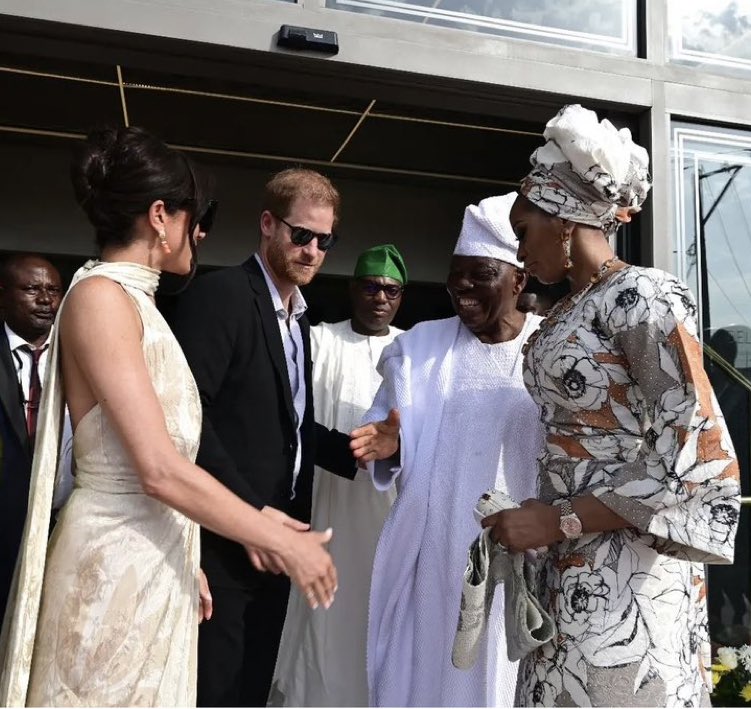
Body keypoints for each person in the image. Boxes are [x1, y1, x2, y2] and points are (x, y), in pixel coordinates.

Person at [0, 127, 337, 707]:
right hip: (112, 570)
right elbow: (156, 468)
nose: (199, 232)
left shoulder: (139, 302)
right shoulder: (101, 297)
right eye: (194, 215)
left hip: (156, 562)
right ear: (160, 215)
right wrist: (272, 535)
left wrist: (187, 556)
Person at [488, 104, 741, 706]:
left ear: (564, 222)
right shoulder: (573, 307)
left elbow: (697, 455)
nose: (519, 250)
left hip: (629, 579)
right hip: (567, 576)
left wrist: (560, 519)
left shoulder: (643, 296)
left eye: (523, 230)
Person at [170, 167, 358, 708]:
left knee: (251, 690)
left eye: (325, 240)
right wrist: (249, 514)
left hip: (279, 539)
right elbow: (189, 418)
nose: (313, 251)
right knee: (214, 692)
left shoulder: (299, 319)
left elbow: (290, 427)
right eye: (302, 235)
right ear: (268, 224)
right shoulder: (222, 296)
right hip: (222, 541)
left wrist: (364, 452)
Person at [350, 193, 545, 707]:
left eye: (479, 273)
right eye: (455, 274)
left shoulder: (552, 351)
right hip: (435, 562)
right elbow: (384, 425)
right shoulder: (420, 349)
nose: (461, 286)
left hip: (523, 561)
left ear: (518, 280)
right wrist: (396, 444)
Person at [271, 244, 407, 707]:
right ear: (353, 289)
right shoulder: (320, 340)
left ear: (401, 297)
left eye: (390, 290)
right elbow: (292, 419)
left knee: (380, 618)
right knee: (322, 619)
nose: (379, 298)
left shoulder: (413, 352)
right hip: (326, 508)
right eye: (370, 287)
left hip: (388, 516)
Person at [0, 254, 73, 629]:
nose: (45, 299)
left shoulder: (75, 360)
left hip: (57, 529)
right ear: (2, 296)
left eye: (53, 290)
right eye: (32, 289)